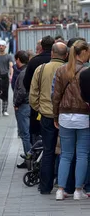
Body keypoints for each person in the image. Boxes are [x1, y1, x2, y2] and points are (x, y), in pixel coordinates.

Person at [53, 40, 90, 201]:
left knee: (66, 154)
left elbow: (55, 96)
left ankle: (61, 190)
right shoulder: (86, 71)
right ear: (84, 53)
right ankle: (77, 190)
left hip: (65, 115)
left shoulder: (61, 71)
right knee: (82, 154)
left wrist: (55, 116)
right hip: (83, 116)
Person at [29, 42, 68, 194]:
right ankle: (65, 184)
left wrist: (39, 107)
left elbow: (33, 93)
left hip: (46, 114)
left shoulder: (41, 69)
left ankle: (45, 187)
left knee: (48, 150)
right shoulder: (67, 70)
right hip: (64, 115)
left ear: (52, 53)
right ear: (65, 55)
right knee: (67, 151)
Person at [23, 35, 55, 144]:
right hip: (56, 108)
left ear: (41, 46)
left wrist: (35, 103)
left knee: (38, 136)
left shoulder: (34, 61)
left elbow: (26, 83)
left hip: (38, 107)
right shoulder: (61, 62)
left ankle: (35, 156)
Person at [13, 50, 31, 167]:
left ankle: (28, 159)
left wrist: (16, 103)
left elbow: (22, 91)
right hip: (27, 105)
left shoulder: (23, 73)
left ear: (18, 60)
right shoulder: (27, 71)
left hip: (23, 106)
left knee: (25, 134)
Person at [0, 40, 14, 116]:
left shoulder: (8, 56)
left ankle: (4, 110)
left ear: (5, 47)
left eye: (2, 46)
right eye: (0, 45)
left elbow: (11, 66)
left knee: (5, 93)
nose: (1, 47)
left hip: (5, 76)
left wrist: (11, 75)